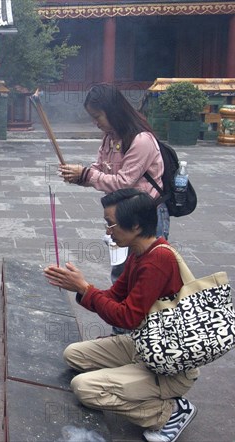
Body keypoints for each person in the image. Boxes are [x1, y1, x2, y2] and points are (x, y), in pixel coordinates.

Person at [43, 189, 198, 442]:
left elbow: (127, 318)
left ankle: (168, 413)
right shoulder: (141, 253)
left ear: (135, 225)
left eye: (110, 224)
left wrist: (85, 289)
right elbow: (114, 297)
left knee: (84, 388)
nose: (108, 231)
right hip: (146, 345)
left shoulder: (158, 260)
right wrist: (80, 288)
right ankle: (135, 380)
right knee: (74, 354)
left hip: (170, 365)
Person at [59, 83, 168, 333]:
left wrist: (86, 175)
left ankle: (144, 333)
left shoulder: (141, 140)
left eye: (98, 116)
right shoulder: (111, 137)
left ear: (113, 111)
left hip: (144, 215)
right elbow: (101, 169)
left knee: (145, 274)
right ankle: (121, 330)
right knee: (121, 272)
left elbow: (123, 182)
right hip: (120, 215)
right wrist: (81, 175)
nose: (96, 122)